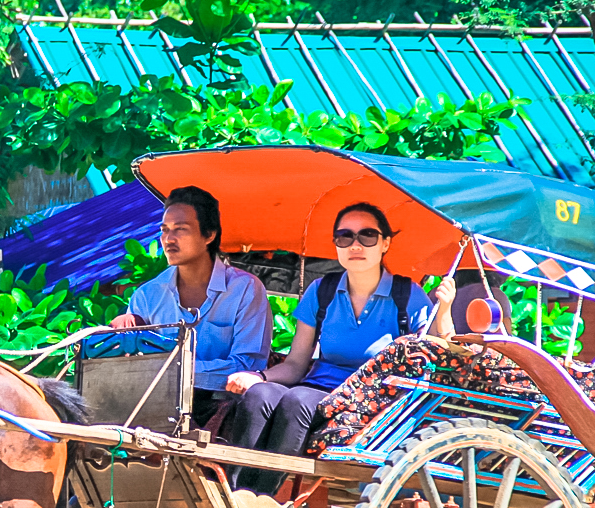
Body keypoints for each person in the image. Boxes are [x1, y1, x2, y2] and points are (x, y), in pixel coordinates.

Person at [225, 202, 456, 491]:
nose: (355, 245)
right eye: (345, 237)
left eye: (367, 236)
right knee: (260, 394)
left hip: (371, 400)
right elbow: (296, 364)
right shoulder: (321, 291)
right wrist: (258, 377)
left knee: (297, 401)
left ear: (385, 243)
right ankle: (234, 495)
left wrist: (444, 308)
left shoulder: (407, 294)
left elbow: (443, 353)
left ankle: (264, 498)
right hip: (317, 388)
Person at [110, 185, 271, 427]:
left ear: (209, 235)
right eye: (164, 230)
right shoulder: (147, 295)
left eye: (180, 230)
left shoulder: (245, 289)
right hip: (154, 407)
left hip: (226, 410)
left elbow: (247, 367)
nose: (168, 239)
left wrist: (175, 370)